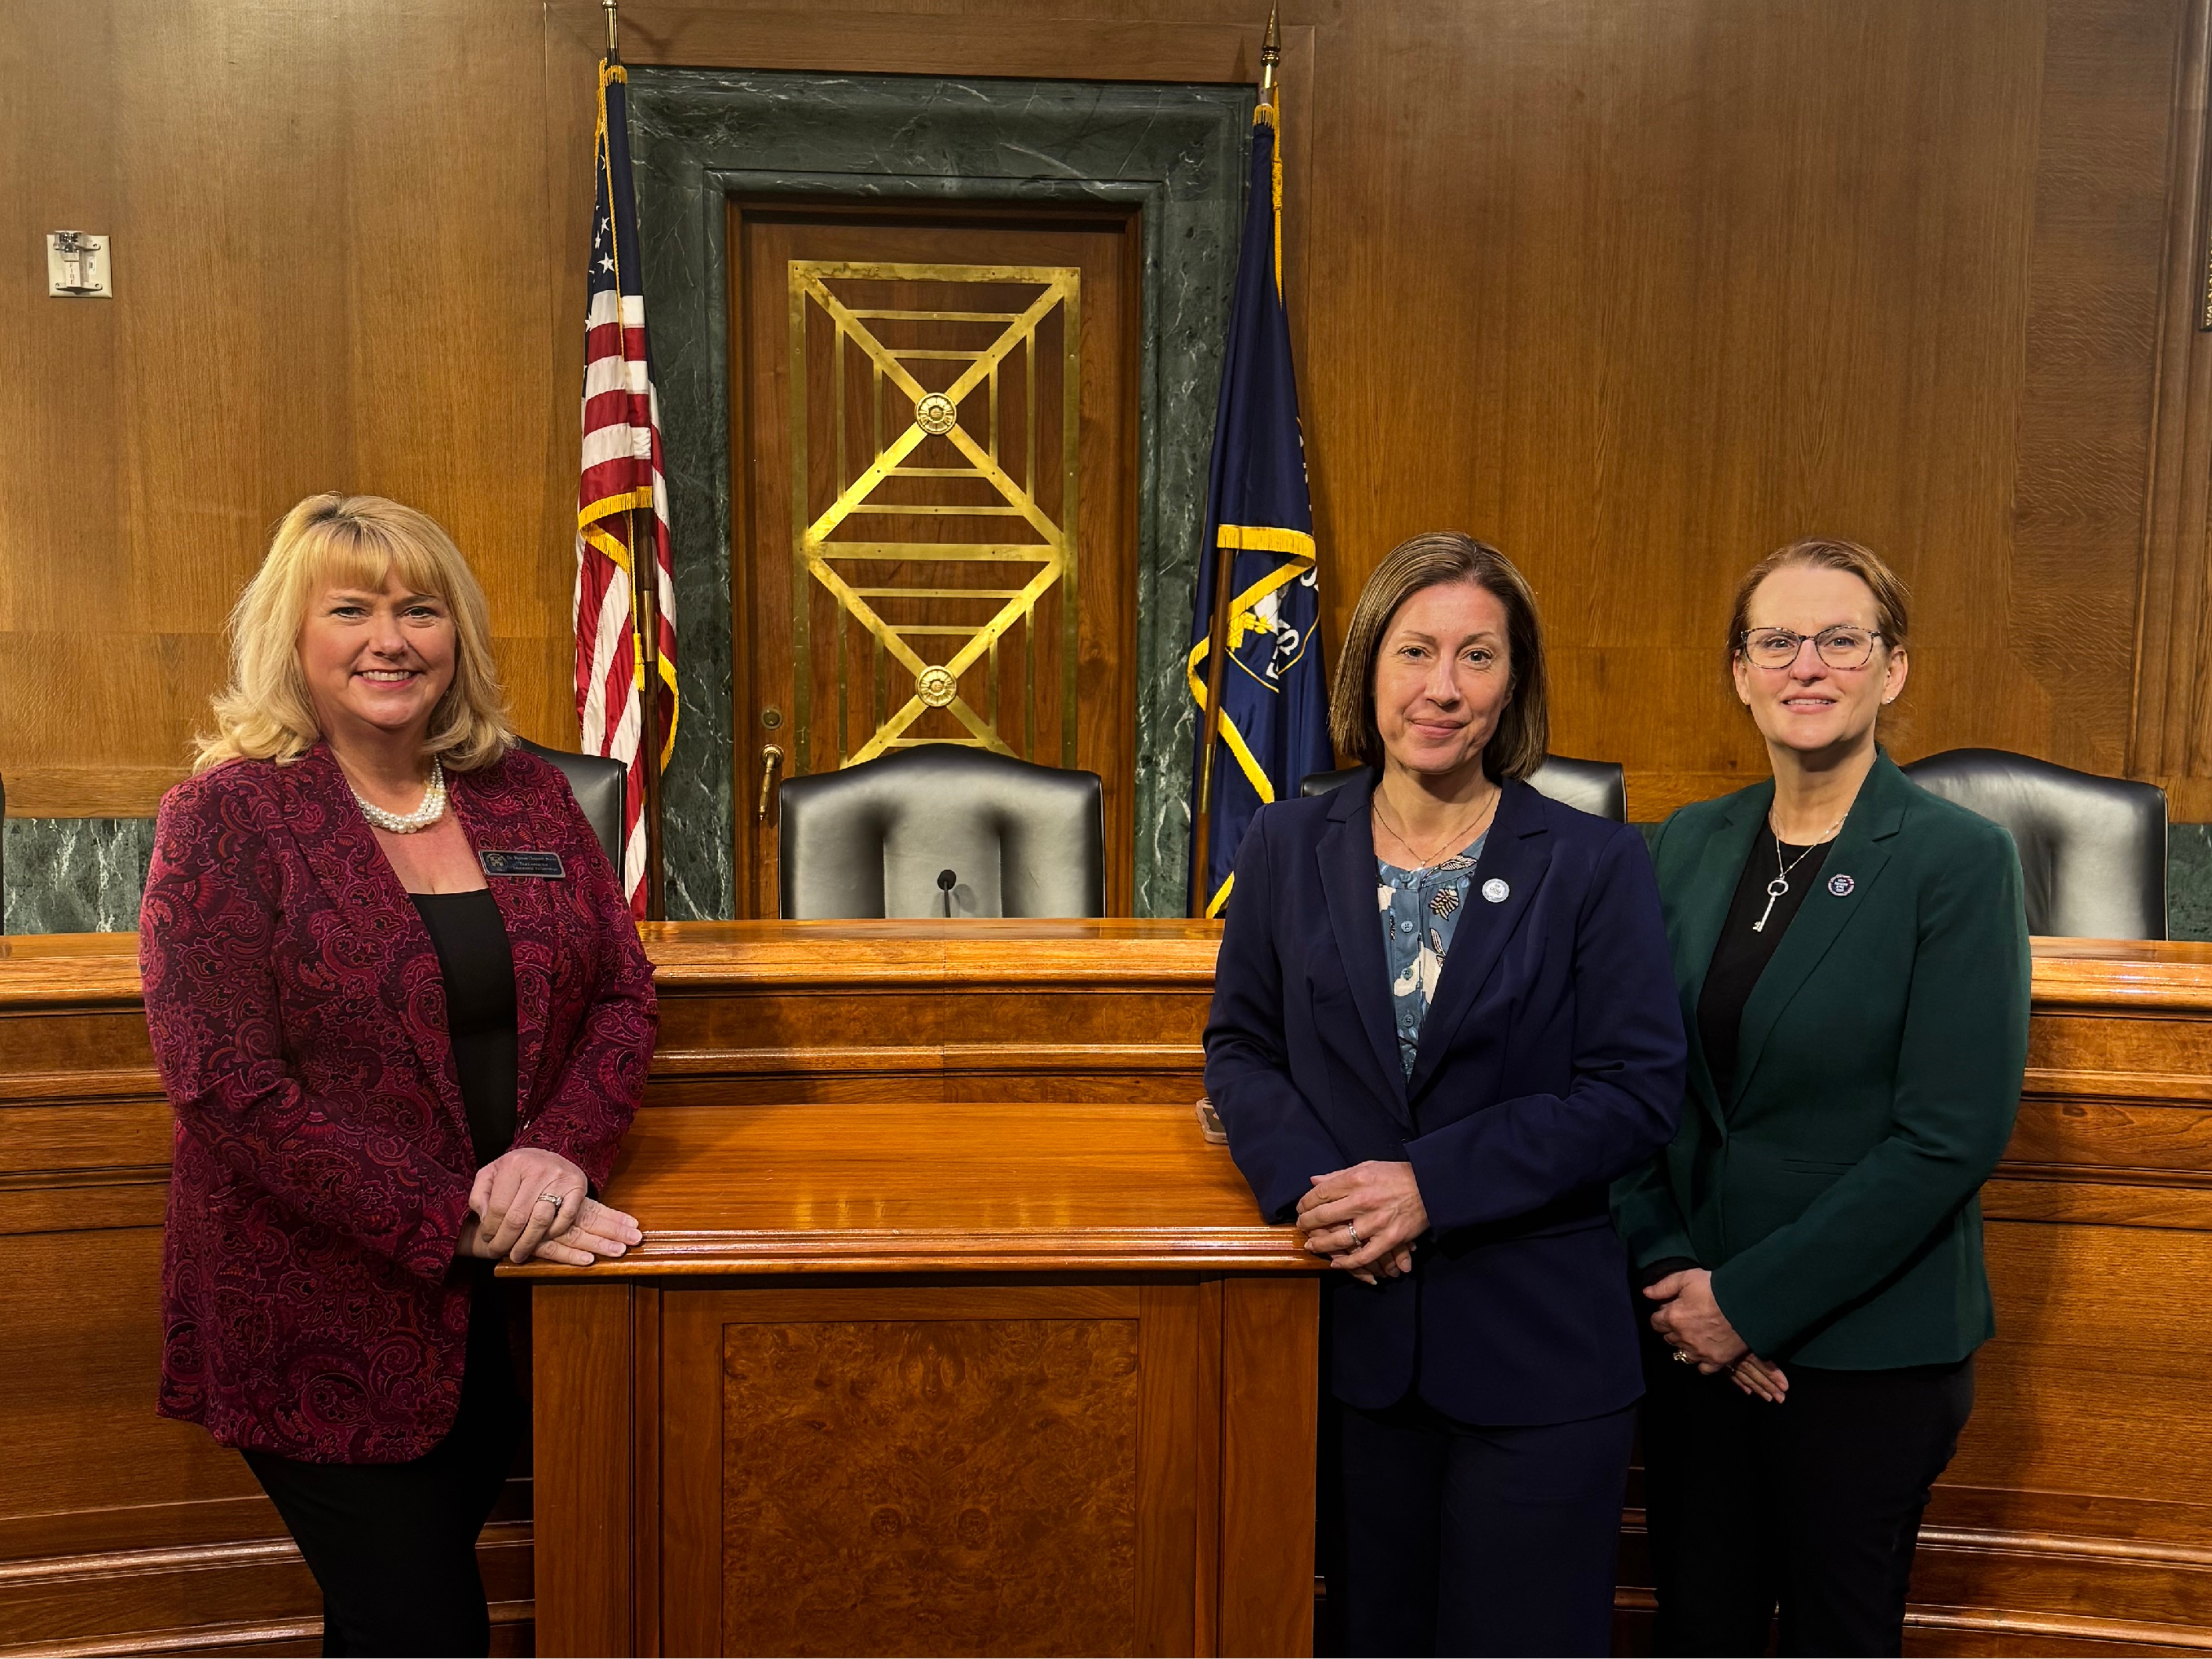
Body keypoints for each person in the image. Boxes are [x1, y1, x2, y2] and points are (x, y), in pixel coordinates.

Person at [139, 493, 658, 1657]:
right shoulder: (227, 816)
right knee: (421, 1624)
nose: (392, 638)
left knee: (387, 1624)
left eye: (420, 609)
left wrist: (558, 1150)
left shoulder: (524, 792)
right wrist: (451, 1220)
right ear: (296, 636)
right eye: (353, 609)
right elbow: (224, 1085)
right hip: (318, 1303)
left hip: (515, 1300)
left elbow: (624, 992)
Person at [1204, 531, 1686, 1657]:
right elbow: (1240, 1047)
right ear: (1367, 666)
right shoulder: (1284, 841)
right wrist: (1320, 1193)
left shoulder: (1594, 862)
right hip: (1353, 1350)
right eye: (1415, 650)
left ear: (1513, 682)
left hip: (1536, 1356)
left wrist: (1426, 1186)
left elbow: (1633, 1091)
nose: (1442, 686)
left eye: (1477, 656)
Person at [1613, 537, 2031, 1657]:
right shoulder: (1688, 843)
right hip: (1688, 1337)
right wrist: (1672, 1275)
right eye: (1777, 641)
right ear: (1740, 672)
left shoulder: (1958, 860)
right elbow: (1628, 1078)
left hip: (1860, 1353)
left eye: (1840, 640)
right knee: (1698, 1626)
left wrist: (1748, 1299)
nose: (1808, 665)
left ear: (1891, 669)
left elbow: (1947, 1137)